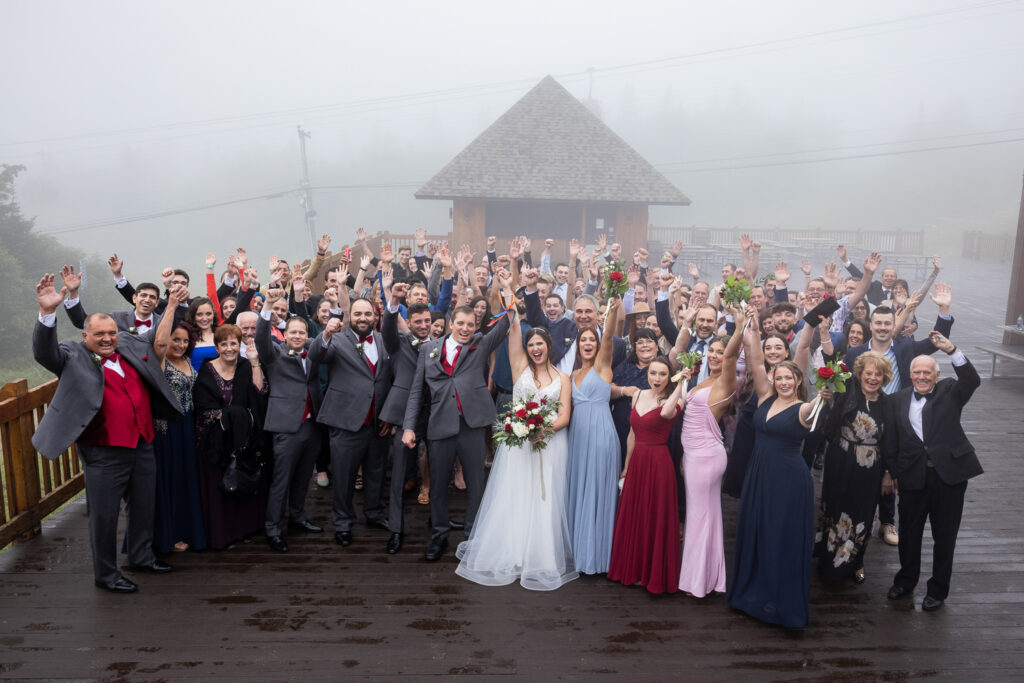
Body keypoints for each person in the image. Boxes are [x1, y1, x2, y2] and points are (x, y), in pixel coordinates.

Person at [32, 274, 180, 593]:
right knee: (104, 516)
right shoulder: (72, 355)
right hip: (104, 451)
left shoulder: (128, 343)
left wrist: (172, 305)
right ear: (86, 335)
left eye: (111, 332)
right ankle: (106, 574)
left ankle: (141, 556)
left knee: (144, 504)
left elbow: (158, 341)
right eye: (99, 334)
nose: (107, 338)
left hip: (142, 443)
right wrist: (47, 314)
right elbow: (45, 354)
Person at [455, 289, 577, 590]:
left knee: (544, 499)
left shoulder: (563, 379)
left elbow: (564, 416)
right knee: (516, 495)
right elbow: (512, 331)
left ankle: (540, 555)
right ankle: (512, 550)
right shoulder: (519, 367)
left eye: (540, 344)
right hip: (519, 446)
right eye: (531, 344)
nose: (535, 349)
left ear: (548, 346)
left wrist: (541, 431)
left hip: (549, 445)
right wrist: (509, 298)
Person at [402, 289, 512, 562]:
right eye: (460, 324)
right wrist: (408, 427)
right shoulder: (428, 350)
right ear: (451, 324)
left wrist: (508, 292)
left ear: (476, 327)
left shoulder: (480, 345)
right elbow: (417, 391)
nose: (465, 329)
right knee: (438, 484)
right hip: (439, 425)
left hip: (472, 425)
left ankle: (472, 537)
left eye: (471, 325)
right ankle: (439, 535)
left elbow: (506, 321)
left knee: (476, 483)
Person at [728, 358, 828, 628]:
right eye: (780, 377)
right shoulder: (765, 399)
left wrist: (825, 395)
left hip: (789, 481)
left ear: (797, 381)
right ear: (773, 379)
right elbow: (756, 359)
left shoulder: (804, 408)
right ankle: (752, 594)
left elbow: (813, 409)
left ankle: (781, 605)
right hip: (759, 473)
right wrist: (752, 324)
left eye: (789, 378)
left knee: (781, 536)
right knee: (758, 530)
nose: (784, 382)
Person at [884, 336, 981, 611]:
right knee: (909, 532)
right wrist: (892, 472)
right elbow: (890, 442)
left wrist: (951, 350)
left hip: (949, 476)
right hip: (912, 476)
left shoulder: (951, 390)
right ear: (910, 374)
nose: (922, 376)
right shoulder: (896, 400)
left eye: (928, 372)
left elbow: (972, 380)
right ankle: (905, 581)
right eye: (917, 372)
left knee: (945, 535)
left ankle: (938, 589)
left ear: (937, 375)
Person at [308, 298, 394, 548]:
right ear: (349, 316)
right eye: (358, 314)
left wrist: (389, 413)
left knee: (376, 472)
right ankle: (343, 523)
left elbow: (390, 378)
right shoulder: (336, 339)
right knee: (344, 477)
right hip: (346, 421)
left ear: (375, 317)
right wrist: (325, 333)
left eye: (368, 313)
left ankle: (375, 513)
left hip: (379, 421)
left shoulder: (383, 340)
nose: (363, 318)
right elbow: (316, 354)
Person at [677, 307, 751, 597]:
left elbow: (732, 355)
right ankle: (705, 576)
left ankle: (698, 581)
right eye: (712, 352)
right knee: (703, 515)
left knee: (699, 516)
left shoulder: (725, 382)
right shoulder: (704, 379)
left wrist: (740, 324)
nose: (715, 356)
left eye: (720, 352)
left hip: (707, 456)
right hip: (693, 454)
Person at [607, 356, 684, 594]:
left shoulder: (676, 399)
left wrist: (680, 383)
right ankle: (634, 569)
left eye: (662, 374)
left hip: (659, 463)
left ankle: (653, 573)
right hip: (638, 460)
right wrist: (627, 464)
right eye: (653, 373)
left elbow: (666, 414)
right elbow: (631, 433)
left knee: (654, 515)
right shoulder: (638, 395)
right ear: (647, 374)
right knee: (635, 513)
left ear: (668, 377)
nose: (657, 379)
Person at [255, 290, 325, 553]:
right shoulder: (274, 354)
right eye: (293, 332)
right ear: (285, 334)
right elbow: (261, 338)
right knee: (281, 480)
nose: (297, 336)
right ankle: (273, 528)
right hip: (286, 427)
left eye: (302, 332)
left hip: (312, 424)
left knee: (304, 477)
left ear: (307, 334)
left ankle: (297, 516)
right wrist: (269, 306)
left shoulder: (313, 352)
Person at [815, 351, 894, 584]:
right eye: (868, 373)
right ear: (859, 374)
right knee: (835, 509)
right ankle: (827, 559)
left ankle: (856, 562)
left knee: (863, 515)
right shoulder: (846, 393)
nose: (872, 378)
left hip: (869, 468)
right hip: (839, 462)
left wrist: (889, 473)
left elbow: (890, 442)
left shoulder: (889, 404)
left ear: (885, 377)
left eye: (878, 374)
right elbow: (831, 358)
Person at [193, 324, 268, 550]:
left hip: (243, 439)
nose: (229, 348)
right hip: (216, 440)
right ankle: (220, 535)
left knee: (242, 481)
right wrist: (228, 416)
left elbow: (259, 392)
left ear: (239, 345)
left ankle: (243, 530)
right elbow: (202, 406)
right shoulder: (206, 370)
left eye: (233, 343)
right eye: (223, 344)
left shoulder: (246, 366)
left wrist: (254, 360)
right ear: (216, 347)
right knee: (219, 487)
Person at [565, 297, 622, 575]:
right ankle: (579, 551)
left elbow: (609, 335)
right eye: (583, 340)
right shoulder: (573, 373)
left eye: (592, 340)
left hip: (601, 435)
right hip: (577, 437)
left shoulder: (603, 366)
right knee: (579, 489)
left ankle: (597, 556)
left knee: (597, 491)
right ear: (577, 345)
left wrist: (610, 311)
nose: (587, 343)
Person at [149, 285, 206, 554]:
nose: (180, 345)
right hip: (166, 429)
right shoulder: (160, 362)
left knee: (186, 480)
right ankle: (167, 535)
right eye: (176, 340)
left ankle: (187, 529)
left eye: (185, 341)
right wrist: (170, 306)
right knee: (168, 481)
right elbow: (159, 343)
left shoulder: (187, 361)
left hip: (187, 426)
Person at [380, 284, 433, 554]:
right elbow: (388, 327)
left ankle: (438, 524)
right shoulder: (398, 343)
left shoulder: (439, 345)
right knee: (399, 475)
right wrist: (393, 302)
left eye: (427, 321)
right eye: (418, 322)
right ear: (409, 324)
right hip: (404, 416)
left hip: (434, 415)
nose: (423, 325)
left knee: (435, 470)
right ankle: (396, 530)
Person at [609, 328, 661, 465]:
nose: (644, 345)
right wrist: (624, 390)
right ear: (634, 347)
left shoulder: (663, 368)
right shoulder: (625, 366)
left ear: (657, 346)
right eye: (640, 342)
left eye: (649, 341)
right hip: (623, 428)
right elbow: (607, 389)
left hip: (650, 430)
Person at [188, 297, 219, 370]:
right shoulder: (188, 337)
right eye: (199, 314)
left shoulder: (221, 335)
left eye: (208, 314)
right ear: (193, 317)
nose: (204, 319)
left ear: (213, 315)